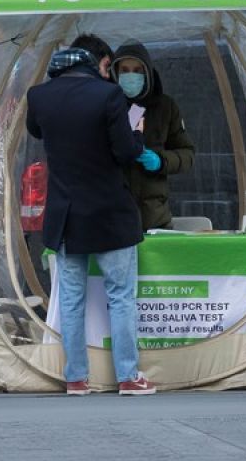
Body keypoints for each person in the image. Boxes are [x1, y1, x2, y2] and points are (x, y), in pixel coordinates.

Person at [26, 34, 154, 396]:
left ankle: (76, 377)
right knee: (121, 296)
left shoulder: (39, 96)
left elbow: (36, 129)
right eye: (108, 66)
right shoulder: (109, 96)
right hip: (109, 213)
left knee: (70, 298)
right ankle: (128, 376)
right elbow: (126, 153)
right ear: (98, 62)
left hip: (66, 216)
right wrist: (138, 136)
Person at [110, 41, 195, 231]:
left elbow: (187, 154)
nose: (130, 75)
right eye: (124, 70)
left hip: (155, 218)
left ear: (147, 73)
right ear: (115, 73)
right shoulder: (107, 107)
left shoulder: (165, 107)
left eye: (137, 70)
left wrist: (161, 161)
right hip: (114, 218)